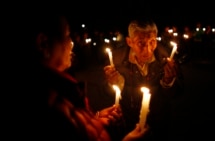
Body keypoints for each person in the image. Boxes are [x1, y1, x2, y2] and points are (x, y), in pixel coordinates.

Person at [21, 11, 148, 141]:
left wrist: (95, 118)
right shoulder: (46, 103)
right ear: (44, 44)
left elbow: (74, 128)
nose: (72, 43)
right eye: (67, 35)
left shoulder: (62, 91)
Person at [103, 18, 184, 140]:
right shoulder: (116, 60)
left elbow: (177, 92)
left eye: (152, 42)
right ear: (129, 42)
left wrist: (169, 81)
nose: (148, 49)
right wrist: (111, 84)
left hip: (158, 122)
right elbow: (107, 93)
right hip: (128, 121)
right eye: (141, 43)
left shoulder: (166, 58)